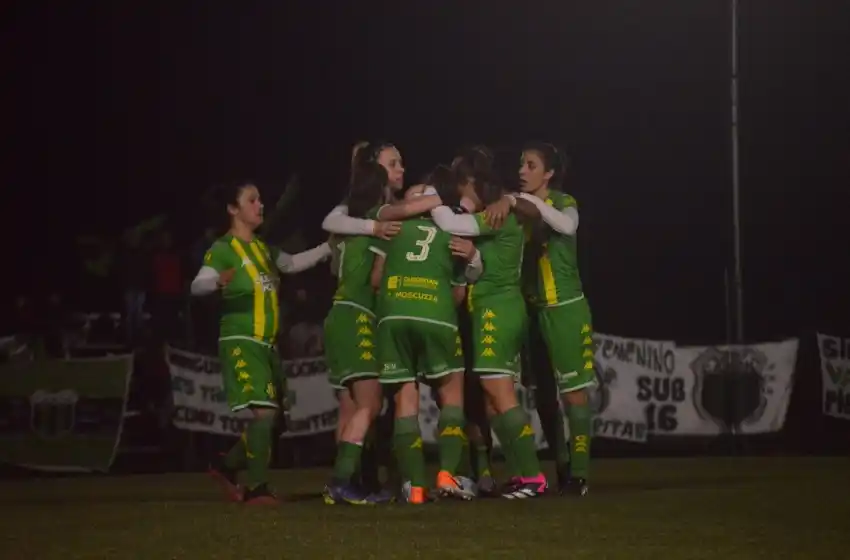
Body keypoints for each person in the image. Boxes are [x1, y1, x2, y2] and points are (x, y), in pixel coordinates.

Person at [191, 181, 332, 505]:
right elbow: (197, 285)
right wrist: (216, 281)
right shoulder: (224, 248)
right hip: (241, 341)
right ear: (232, 209)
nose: (260, 206)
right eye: (252, 201)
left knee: (276, 420)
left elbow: (293, 264)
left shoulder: (263, 249)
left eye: (260, 200)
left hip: (268, 346)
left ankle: (226, 466)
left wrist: (329, 247)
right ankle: (257, 488)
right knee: (264, 416)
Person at [429, 153, 548, 499]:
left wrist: (432, 199)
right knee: (495, 399)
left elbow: (453, 225)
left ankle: (534, 477)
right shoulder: (498, 211)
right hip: (494, 309)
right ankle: (522, 474)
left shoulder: (497, 215)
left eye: (461, 185)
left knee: (500, 394)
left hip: (499, 308)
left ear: (472, 183)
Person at [485, 142, 594, 497]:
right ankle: (557, 464)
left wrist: (524, 203)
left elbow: (568, 227)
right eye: (520, 164)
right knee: (543, 394)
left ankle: (578, 475)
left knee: (573, 393)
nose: (521, 171)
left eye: (530, 165)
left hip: (564, 308)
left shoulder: (563, 203)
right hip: (530, 311)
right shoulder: (516, 205)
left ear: (548, 173)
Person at [370, 166, 483, 504]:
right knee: (451, 392)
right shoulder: (455, 231)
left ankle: (414, 486)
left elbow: (375, 280)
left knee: (405, 397)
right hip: (434, 312)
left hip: (392, 314)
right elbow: (460, 295)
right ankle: (448, 475)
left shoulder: (392, 226)